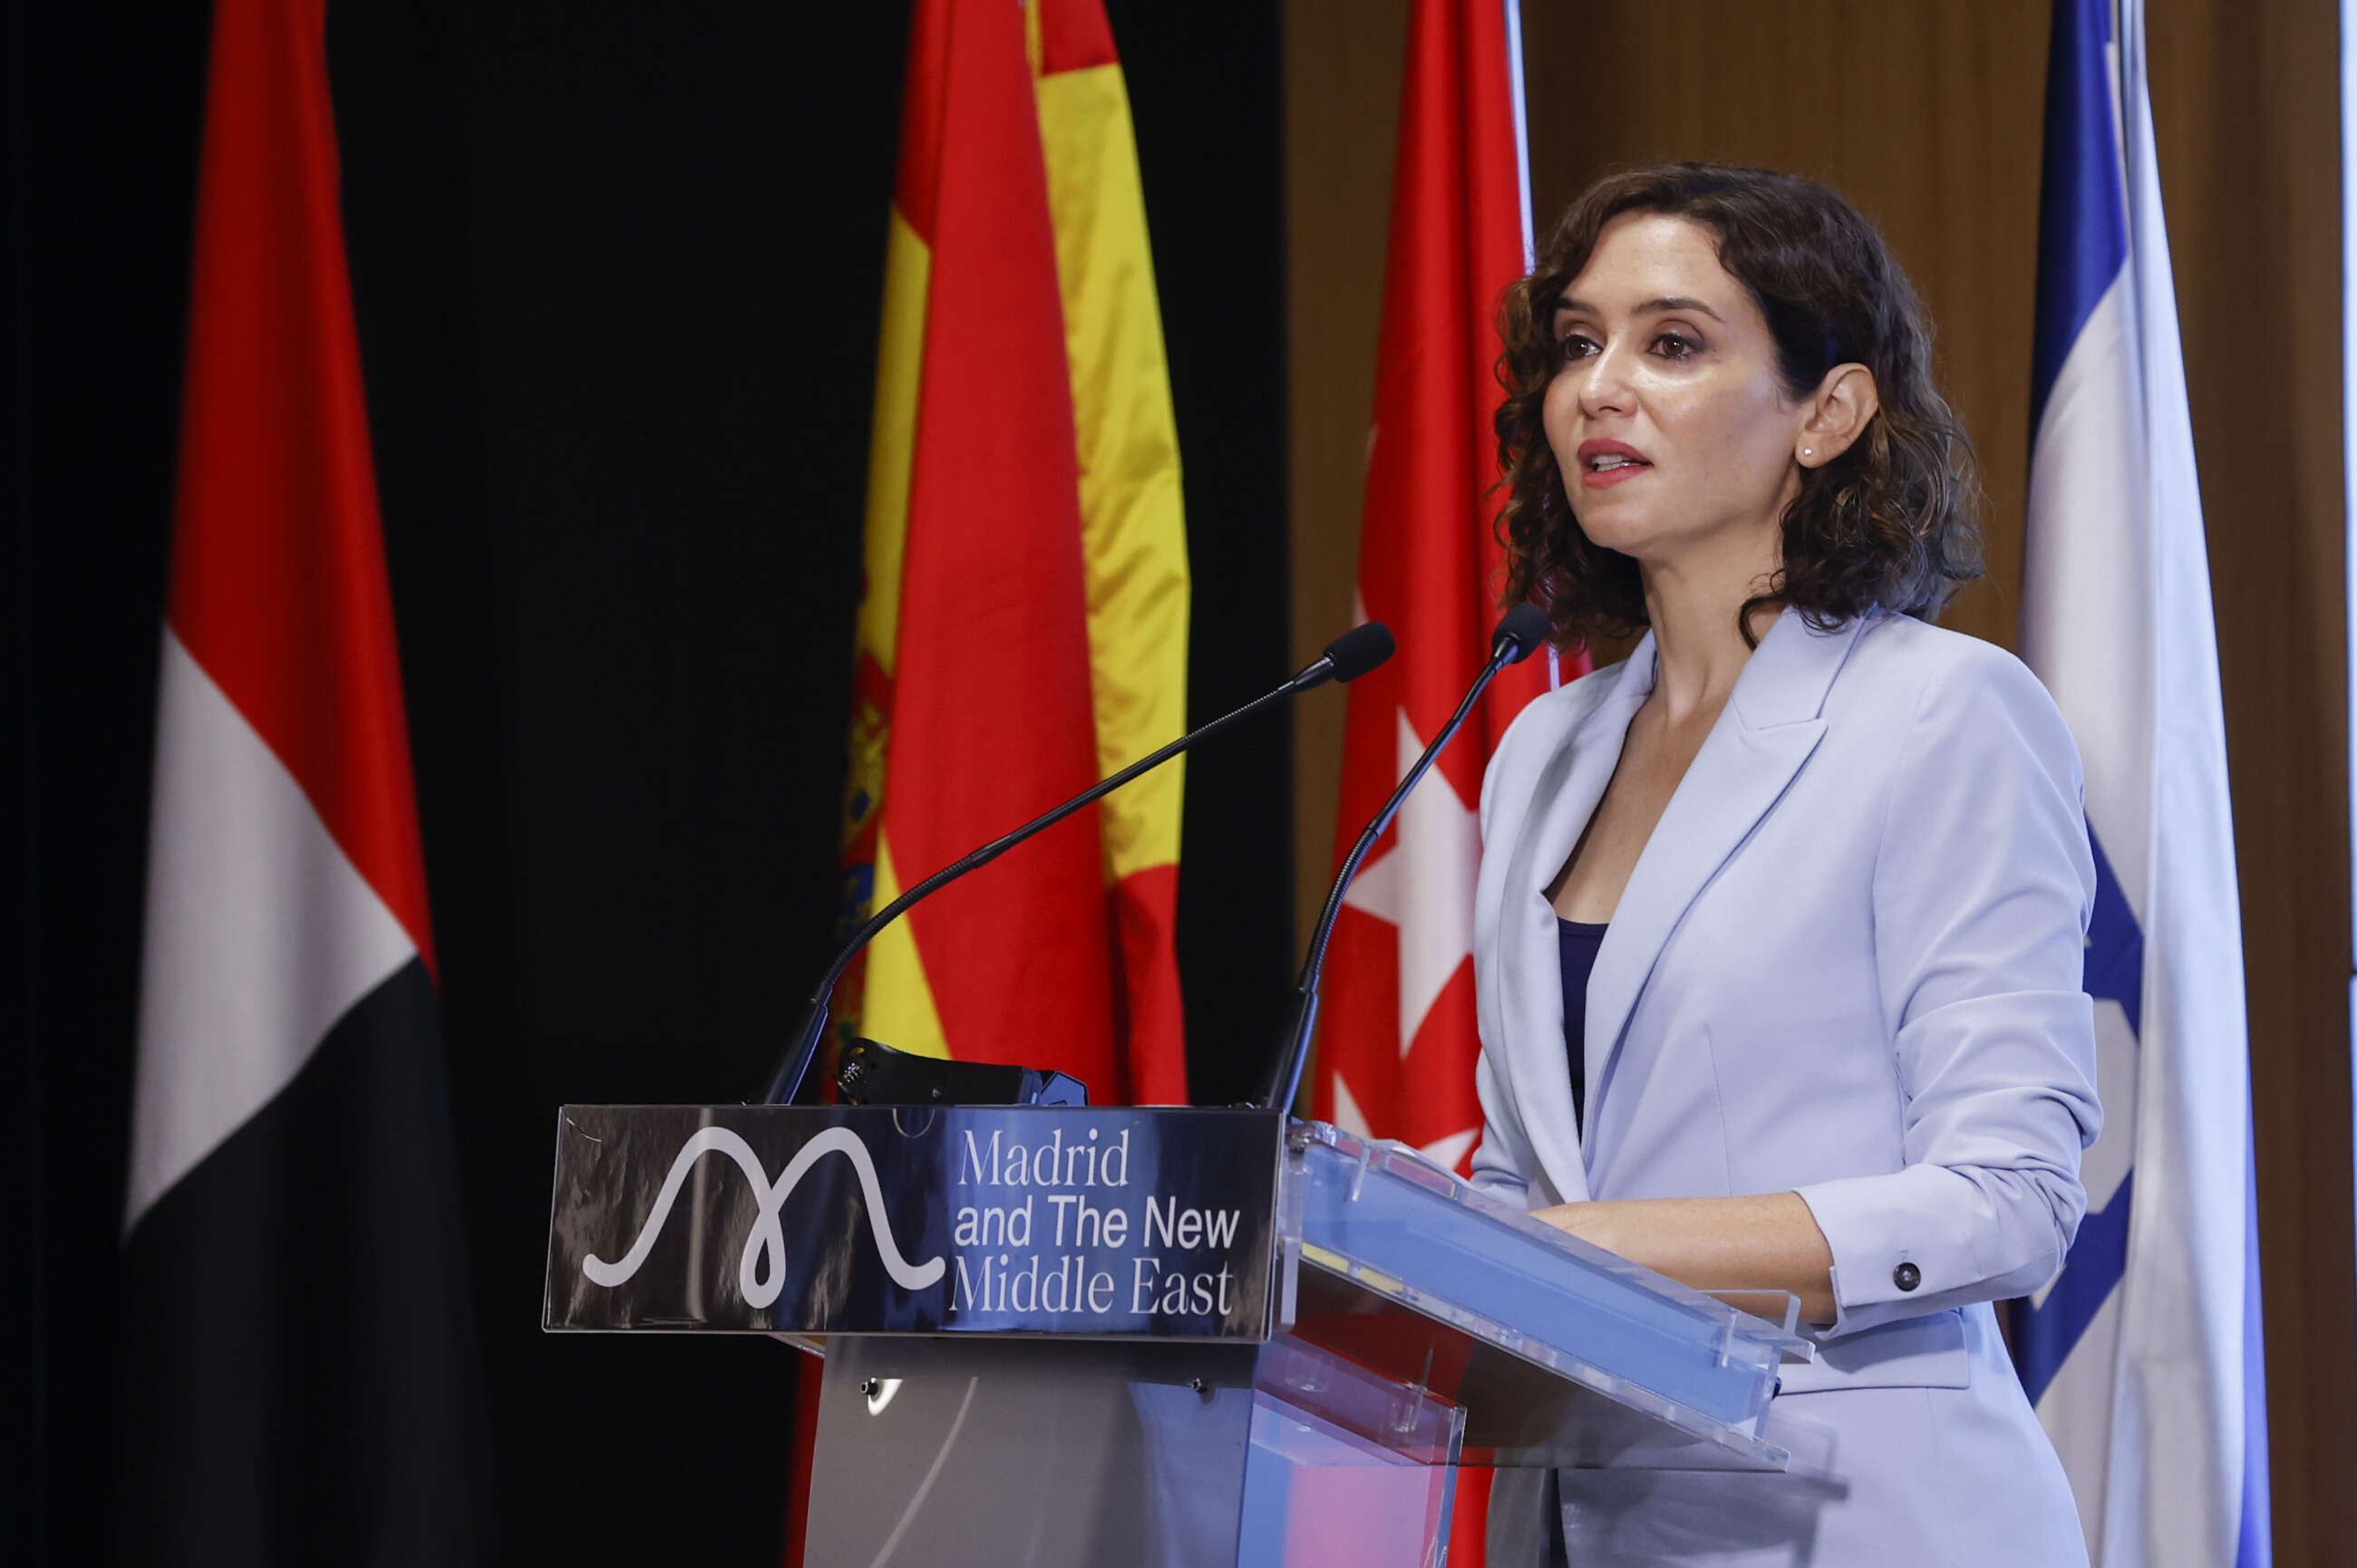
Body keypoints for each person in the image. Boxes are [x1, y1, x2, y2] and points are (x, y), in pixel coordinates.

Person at [1468, 162, 2100, 1566]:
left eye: (1672, 343)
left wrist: (1590, 1247)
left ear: (1829, 412)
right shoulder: (1543, 751)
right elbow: (1538, 1171)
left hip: (1864, 1516)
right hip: (1583, 1516)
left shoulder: (1941, 713)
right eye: (1578, 343)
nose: (1598, 390)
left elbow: (2009, 1199)